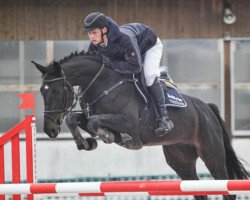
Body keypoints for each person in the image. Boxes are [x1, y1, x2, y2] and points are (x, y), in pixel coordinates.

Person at [83, 12, 174, 137]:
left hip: (149, 46)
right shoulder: (94, 45)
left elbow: (135, 67)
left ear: (104, 30)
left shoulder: (124, 39)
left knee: (148, 76)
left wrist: (112, 64)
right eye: (89, 33)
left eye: (94, 33)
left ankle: (164, 119)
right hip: (132, 50)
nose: (91, 37)